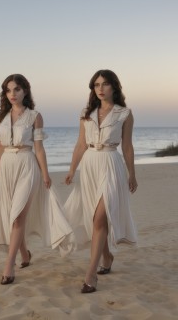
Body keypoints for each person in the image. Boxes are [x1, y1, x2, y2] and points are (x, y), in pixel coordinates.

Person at [0, 74, 73, 285]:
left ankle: (9, 265)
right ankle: (25, 254)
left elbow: (39, 149)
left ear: (25, 91)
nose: (13, 94)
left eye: (17, 89)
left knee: (18, 217)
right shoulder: (0, 117)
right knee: (12, 217)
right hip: (7, 167)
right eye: (9, 90)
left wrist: (46, 174)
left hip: (27, 165)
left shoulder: (35, 116)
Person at [64, 69, 138, 293]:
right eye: (96, 85)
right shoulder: (86, 113)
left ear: (114, 87)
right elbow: (80, 144)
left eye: (105, 84)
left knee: (99, 218)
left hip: (111, 165)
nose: (100, 89)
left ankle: (90, 275)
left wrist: (132, 174)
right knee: (96, 221)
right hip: (89, 165)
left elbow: (126, 146)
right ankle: (107, 257)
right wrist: (71, 169)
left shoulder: (124, 113)